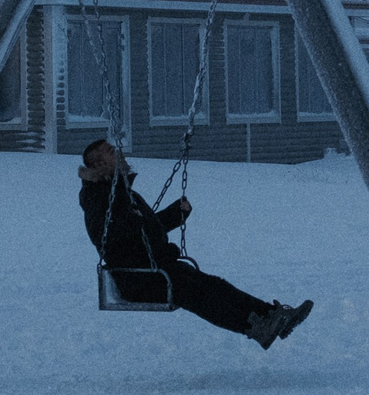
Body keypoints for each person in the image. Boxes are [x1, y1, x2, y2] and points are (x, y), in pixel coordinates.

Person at [78, 138, 311, 349]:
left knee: (215, 285)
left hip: (156, 269)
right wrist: (130, 221)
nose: (118, 152)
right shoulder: (98, 196)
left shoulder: (120, 192)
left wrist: (174, 214)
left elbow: (145, 229)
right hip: (137, 278)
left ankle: (272, 315)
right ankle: (257, 328)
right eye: (110, 151)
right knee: (198, 294)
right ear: (98, 166)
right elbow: (104, 233)